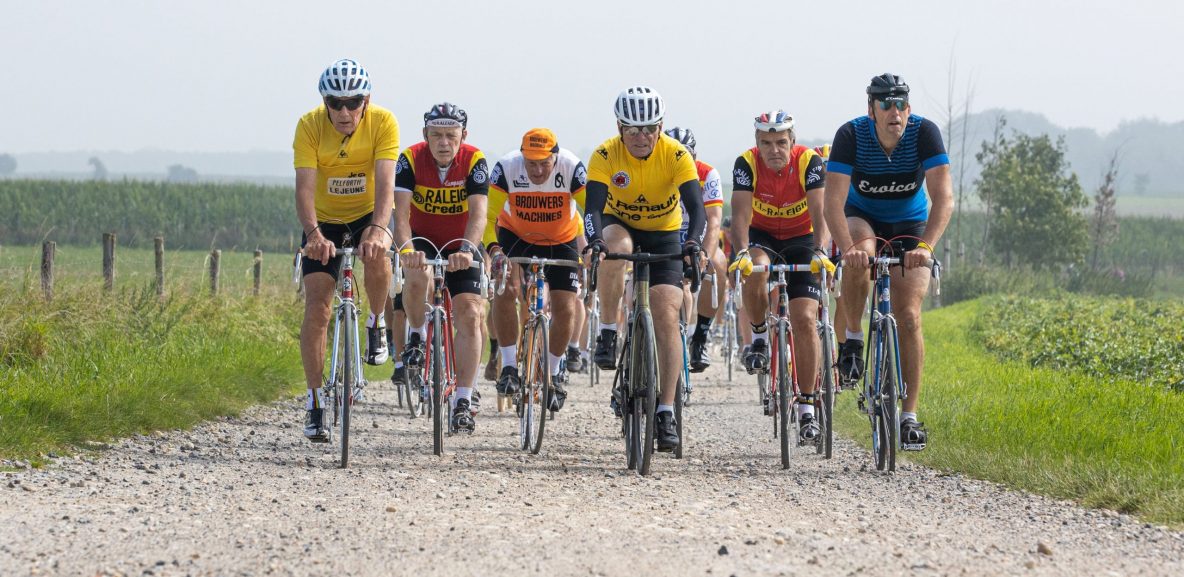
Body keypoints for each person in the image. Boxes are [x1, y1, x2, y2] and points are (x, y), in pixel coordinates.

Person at [823, 73, 953, 451]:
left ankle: (909, 416)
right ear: (871, 110)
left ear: (908, 109)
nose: (894, 111)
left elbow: (943, 199)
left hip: (911, 222)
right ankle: (853, 339)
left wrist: (926, 247)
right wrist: (847, 248)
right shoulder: (851, 135)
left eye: (901, 104)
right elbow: (833, 203)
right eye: (885, 104)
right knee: (859, 258)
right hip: (862, 217)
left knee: (909, 315)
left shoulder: (925, 133)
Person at [586, 86, 706, 452]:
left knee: (667, 310)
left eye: (649, 129)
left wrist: (693, 242)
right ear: (620, 127)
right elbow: (591, 209)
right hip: (619, 223)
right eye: (632, 129)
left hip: (664, 233)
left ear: (661, 126)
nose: (641, 137)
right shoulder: (606, 153)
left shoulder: (676, 154)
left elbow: (697, 210)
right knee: (615, 247)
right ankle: (608, 329)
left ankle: (665, 410)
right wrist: (595, 241)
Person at [293, 58, 398, 442]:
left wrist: (379, 229)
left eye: (353, 102)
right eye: (334, 103)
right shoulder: (308, 126)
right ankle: (315, 402)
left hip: (367, 214)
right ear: (324, 103)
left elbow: (386, 184)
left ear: (366, 101)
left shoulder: (383, 122)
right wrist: (314, 234)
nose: (343, 111)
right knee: (318, 307)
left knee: (378, 254)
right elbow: (304, 189)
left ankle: (376, 323)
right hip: (324, 220)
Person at [728, 110, 831, 441]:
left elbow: (821, 212)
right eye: (767, 143)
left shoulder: (809, 162)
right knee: (756, 272)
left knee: (803, 320)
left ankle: (807, 408)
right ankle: (759, 336)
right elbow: (741, 214)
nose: (774, 149)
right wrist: (742, 252)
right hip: (764, 237)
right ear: (757, 143)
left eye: (781, 142)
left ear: (793, 141)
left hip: (803, 240)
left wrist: (820, 251)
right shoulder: (746, 163)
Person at [393, 102, 490, 433]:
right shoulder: (409, 159)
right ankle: (417, 336)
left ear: (463, 135)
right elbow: (401, 215)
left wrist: (468, 249)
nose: (444, 142)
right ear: (425, 135)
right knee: (417, 276)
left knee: (470, 314)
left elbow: (478, 214)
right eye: (437, 135)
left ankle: (463, 397)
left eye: (451, 135)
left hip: (460, 244)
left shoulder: (475, 161)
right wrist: (405, 249)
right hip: (423, 239)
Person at [485, 128, 587, 411]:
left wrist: (592, 245)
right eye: (532, 164)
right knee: (506, 290)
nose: (538, 170)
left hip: (561, 239)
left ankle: (552, 375)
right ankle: (507, 366)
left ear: (555, 158)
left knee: (567, 307)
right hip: (515, 237)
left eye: (544, 164)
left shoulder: (572, 167)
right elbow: (489, 216)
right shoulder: (506, 168)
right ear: (522, 158)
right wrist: (494, 250)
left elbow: (593, 211)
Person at [663, 127, 725, 373]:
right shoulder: (657, 170)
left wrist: (704, 256)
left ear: (694, 155)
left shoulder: (707, 174)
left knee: (717, 263)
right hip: (666, 233)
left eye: (685, 154)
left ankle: (699, 336)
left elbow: (714, 221)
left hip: (695, 234)